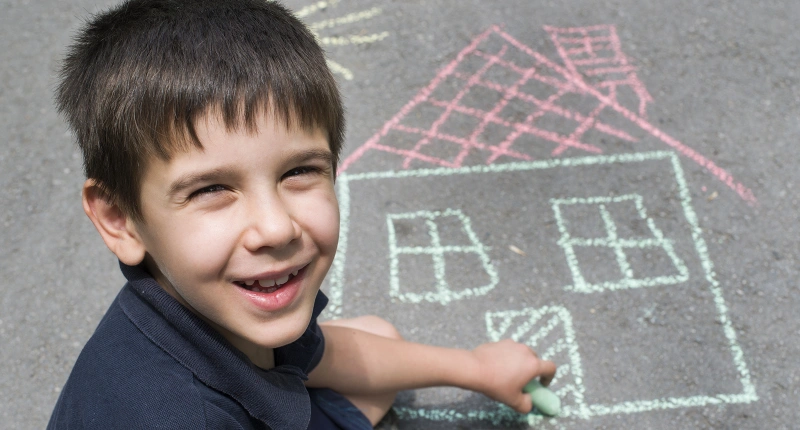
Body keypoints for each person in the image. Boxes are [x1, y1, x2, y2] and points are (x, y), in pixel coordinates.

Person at [48, 0, 557, 428]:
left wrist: (475, 368)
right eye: (211, 189)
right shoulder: (176, 415)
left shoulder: (200, 304)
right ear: (119, 219)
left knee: (379, 336)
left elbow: (320, 356)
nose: (276, 228)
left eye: (298, 171)